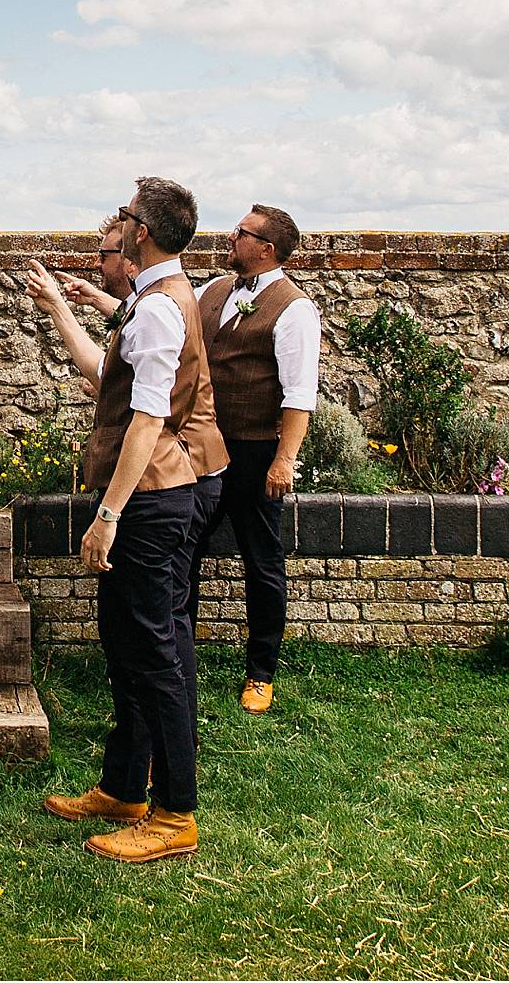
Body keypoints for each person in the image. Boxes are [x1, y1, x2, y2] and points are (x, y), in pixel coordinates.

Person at [21, 179, 224, 866]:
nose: (120, 218)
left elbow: (148, 419)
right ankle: (122, 789)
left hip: (151, 500)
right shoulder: (151, 300)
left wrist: (107, 515)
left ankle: (174, 814)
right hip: (144, 495)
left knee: (156, 655)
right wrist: (57, 307)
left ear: (144, 233)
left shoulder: (164, 309)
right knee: (127, 645)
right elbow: (109, 372)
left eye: (129, 213)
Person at [196, 203, 321, 712]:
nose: (231, 236)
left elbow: (298, 394)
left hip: (253, 453)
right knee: (183, 551)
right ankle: (175, 652)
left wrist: (283, 459)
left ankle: (261, 672)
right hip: (201, 446)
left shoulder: (293, 308)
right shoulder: (210, 291)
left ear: (266, 249)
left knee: (262, 562)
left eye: (241, 233)